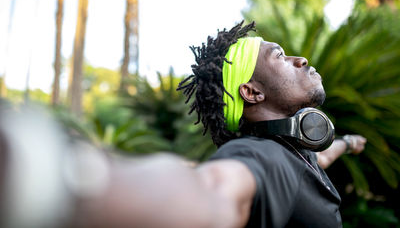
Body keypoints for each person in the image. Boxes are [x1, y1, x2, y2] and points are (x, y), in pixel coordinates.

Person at [0, 21, 366, 228]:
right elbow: (210, 190)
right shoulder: (262, 157)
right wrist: (51, 179)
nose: (300, 59)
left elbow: (323, 158)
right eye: (280, 56)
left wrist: (348, 143)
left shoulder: (295, 155)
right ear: (251, 92)